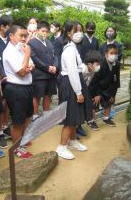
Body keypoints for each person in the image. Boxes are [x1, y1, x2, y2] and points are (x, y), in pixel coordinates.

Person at [56, 21, 92, 160]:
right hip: (71, 84)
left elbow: (78, 67)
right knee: (70, 117)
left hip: (74, 82)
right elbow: (71, 71)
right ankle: (61, 147)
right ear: (68, 32)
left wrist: (85, 68)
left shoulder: (73, 48)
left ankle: (72, 141)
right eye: (76, 30)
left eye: (80, 30)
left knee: (75, 115)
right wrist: (78, 92)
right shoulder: (69, 49)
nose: (79, 33)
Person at [3, 25, 35, 158]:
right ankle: (17, 148)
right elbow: (22, 71)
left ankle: (22, 139)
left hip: (26, 87)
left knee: (27, 115)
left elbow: (32, 65)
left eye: (25, 36)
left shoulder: (21, 48)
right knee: (18, 120)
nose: (23, 38)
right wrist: (27, 55)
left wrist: (28, 63)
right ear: (11, 36)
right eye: (21, 35)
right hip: (15, 88)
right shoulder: (9, 52)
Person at [28, 21, 57, 121]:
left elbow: (55, 55)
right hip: (39, 74)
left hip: (51, 74)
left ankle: (46, 114)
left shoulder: (49, 42)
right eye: (42, 31)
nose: (44, 33)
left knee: (48, 95)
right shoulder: (31, 43)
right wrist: (47, 67)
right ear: (37, 31)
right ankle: (35, 115)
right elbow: (34, 58)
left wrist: (55, 66)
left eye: (46, 31)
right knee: (37, 96)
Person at [89, 44, 121, 126]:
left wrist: (113, 95)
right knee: (94, 104)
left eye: (115, 53)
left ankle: (106, 118)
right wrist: (97, 94)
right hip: (95, 87)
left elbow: (116, 80)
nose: (113, 55)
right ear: (106, 54)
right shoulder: (100, 64)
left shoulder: (116, 64)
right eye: (111, 53)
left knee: (109, 101)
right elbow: (94, 81)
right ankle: (91, 120)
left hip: (108, 87)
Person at [0, 15, 13, 147]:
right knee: (1, 104)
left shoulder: (10, 39)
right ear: (2, 27)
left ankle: (5, 125)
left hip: (12, 76)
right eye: (8, 26)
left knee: (8, 103)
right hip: (0, 76)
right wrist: (2, 76)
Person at [82, 50, 101, 131]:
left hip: (85, 88)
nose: (99, 66)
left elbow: (93, 83)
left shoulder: (93, 70)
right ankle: (77, 125)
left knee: (90, 100)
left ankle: (90, 120)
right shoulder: (81, 70)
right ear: (89, 64)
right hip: (72, 87)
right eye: (97, 64)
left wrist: (97, 94)